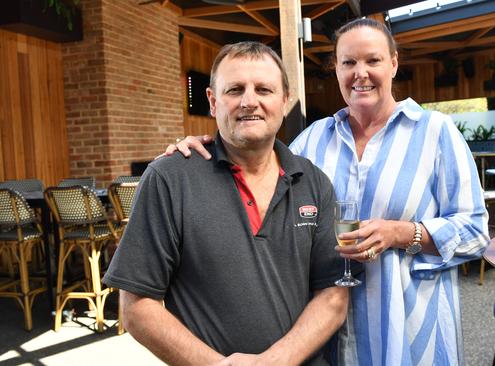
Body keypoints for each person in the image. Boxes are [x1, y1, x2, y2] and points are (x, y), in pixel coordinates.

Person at [166, 19, 489, 365]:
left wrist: (401, 233)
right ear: (336, 68)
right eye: (348, 62)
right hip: (329, 332)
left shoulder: (436, 133)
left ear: (394, 63)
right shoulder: (313, 139)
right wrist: (204, 146)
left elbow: (475, 230)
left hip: (409, 327)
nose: (360, 73)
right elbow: (254, 163)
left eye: (373, 60)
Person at [104, 41, 358, 366]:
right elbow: (136, 306)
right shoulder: (169, 179)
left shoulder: (314, 182)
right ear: (212, 101)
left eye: (263, 89)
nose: (249, 101)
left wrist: (275, 361)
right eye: (235, 89)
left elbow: (334, 294)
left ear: (285, 100)